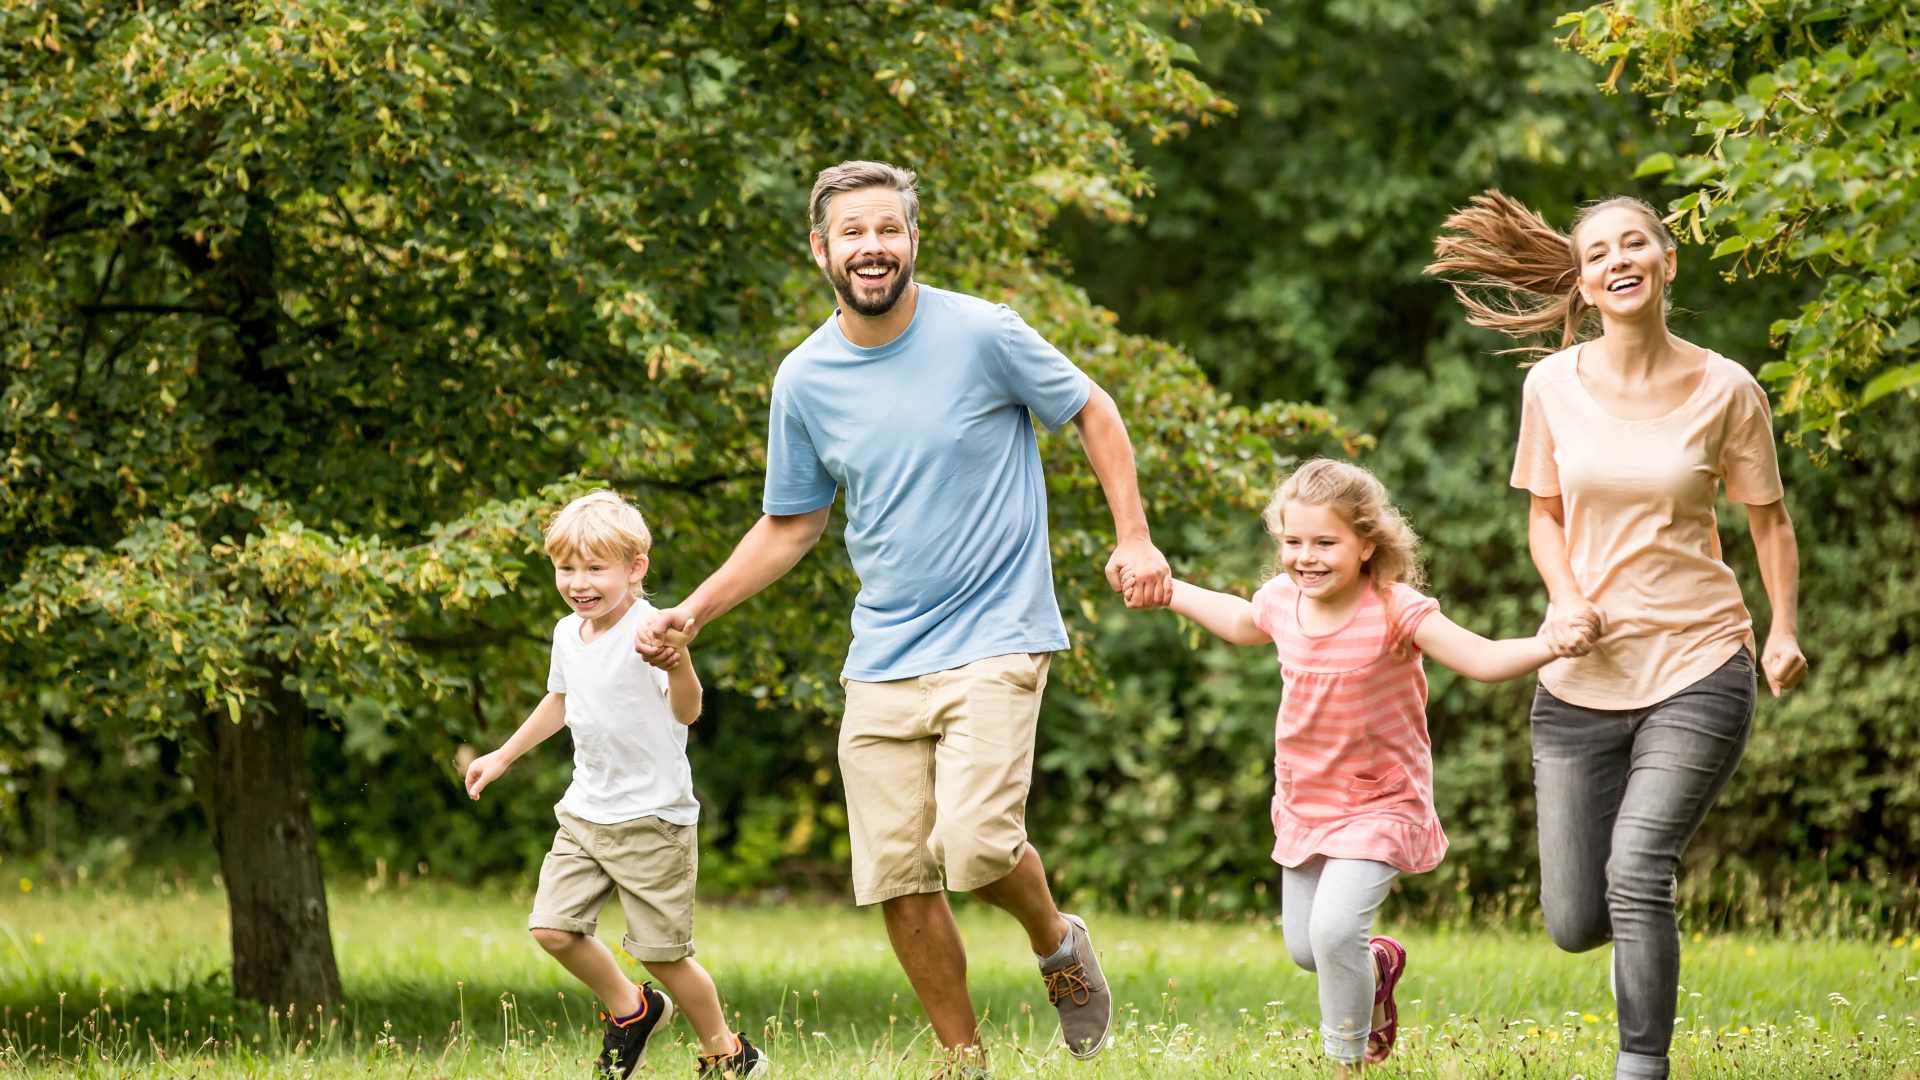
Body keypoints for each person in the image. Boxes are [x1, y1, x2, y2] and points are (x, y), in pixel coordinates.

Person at [634, 159, 1174, 1072]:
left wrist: (1135, 537)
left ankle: (1055, 942)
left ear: (913, 239)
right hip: (882, 653)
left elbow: (1093, 409)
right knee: (899, 877)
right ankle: (964, 1062)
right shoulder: (803, 378)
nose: (872, 247)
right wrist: (694, 609)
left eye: (889, 230)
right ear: (821, 250)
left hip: (999, 633)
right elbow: (793, 522)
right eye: (853, 233)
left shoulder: (984, 334)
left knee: (974, 843)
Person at [1427, 190, 1807, 1080]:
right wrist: (1562, 598)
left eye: (1636, 244)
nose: (1618, 260)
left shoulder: (1727, 389)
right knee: (1573, 918)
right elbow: (1545, 519)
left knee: (1639, 868)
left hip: (1700, 660)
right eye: (1599, 253)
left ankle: (1641, 1065)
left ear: (1668, 263)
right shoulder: (1550, 386)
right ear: (1584, 282)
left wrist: (1783, 626)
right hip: (1579, 678)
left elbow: (1771, 523)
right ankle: (1632, 954)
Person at [1129, 457, 1591, 1074]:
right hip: (1307, 801)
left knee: (1332, 931)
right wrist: (1171, 591)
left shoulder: (1396, 609)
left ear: (1367, 544)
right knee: (1306, 947)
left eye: (1326, 542)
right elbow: (1241, 622)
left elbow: (1479, 658)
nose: (1306, 556)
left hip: (1382, 800)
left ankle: (1344, 1062)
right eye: (1293, 542)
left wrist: (1551, 644)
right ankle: (1378, 966)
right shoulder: (1281, 601)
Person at [463, 491, 769, 1079]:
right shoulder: (566, 632)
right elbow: (561, 700)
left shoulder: (649, 631)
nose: (579, 582)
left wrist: (679, 664)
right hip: (585, 811)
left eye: (595, 568)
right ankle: (633, 1010)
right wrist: (503, 755)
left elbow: (688, 711)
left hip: (653, 819)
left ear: (635, 569)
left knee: (663, 955)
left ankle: (728, 1053)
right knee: (553, 929)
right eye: (567, 568)